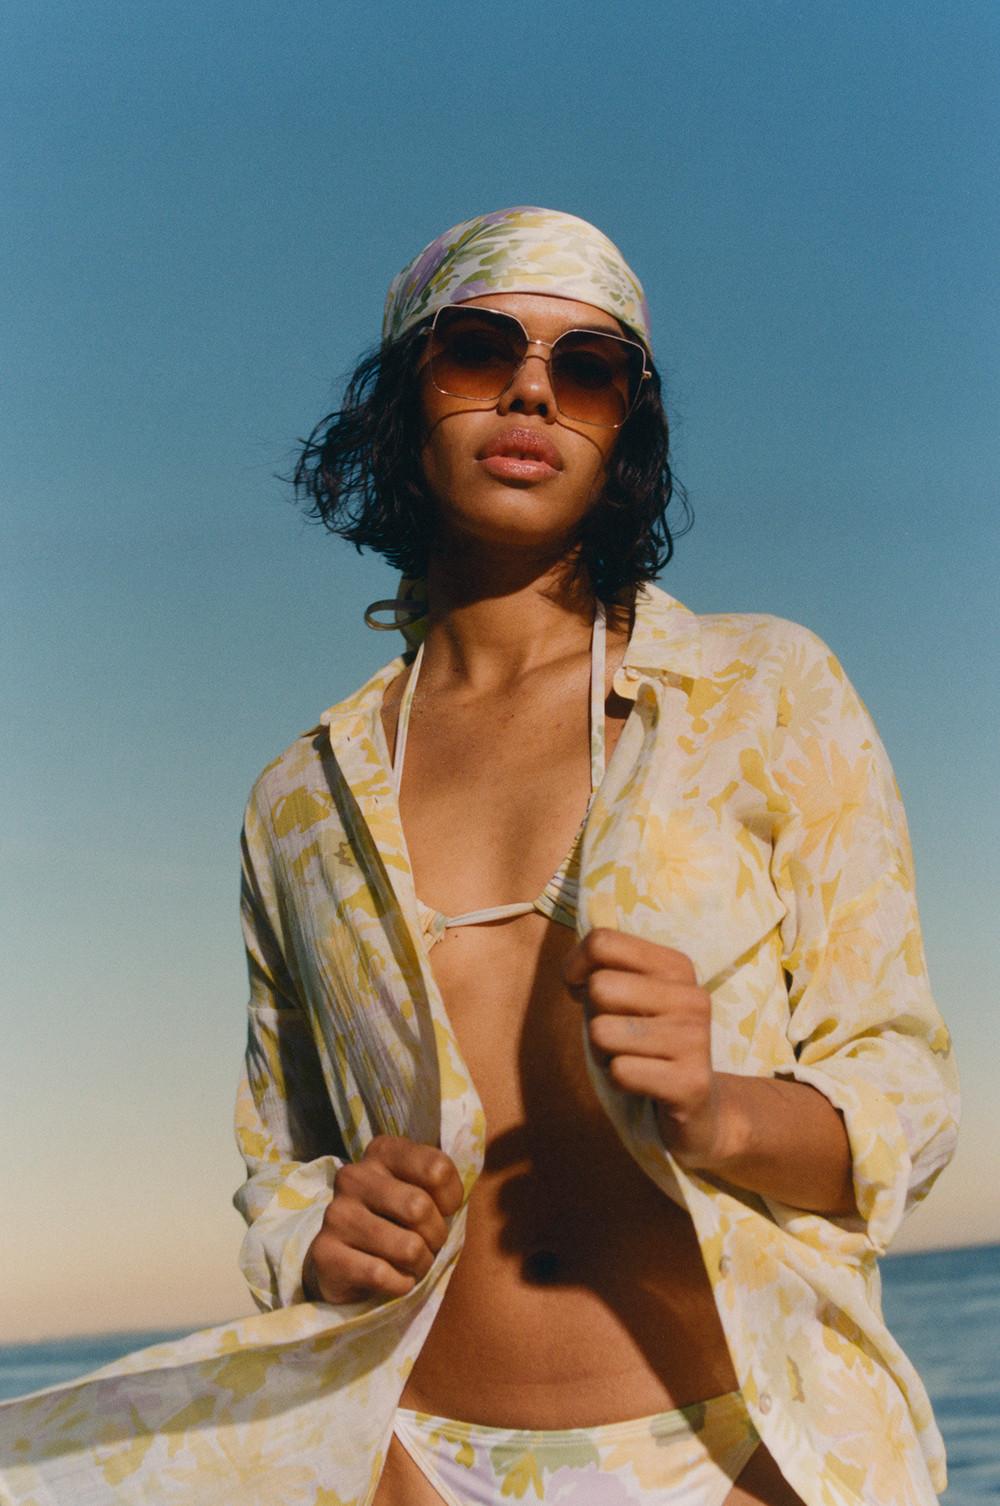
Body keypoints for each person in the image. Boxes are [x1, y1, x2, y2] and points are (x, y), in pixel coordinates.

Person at [0, 208, 958, 1506]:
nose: (530, 388)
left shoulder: (766, 689)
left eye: (588, 367)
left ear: (625, 425)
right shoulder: (298, 798)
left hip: (746, 1450)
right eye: (479, 348)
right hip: (413, 1462)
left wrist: (721, 1105)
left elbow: (898, 1089)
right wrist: (322, 1234)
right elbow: (282, 1166)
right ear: (407, 397)